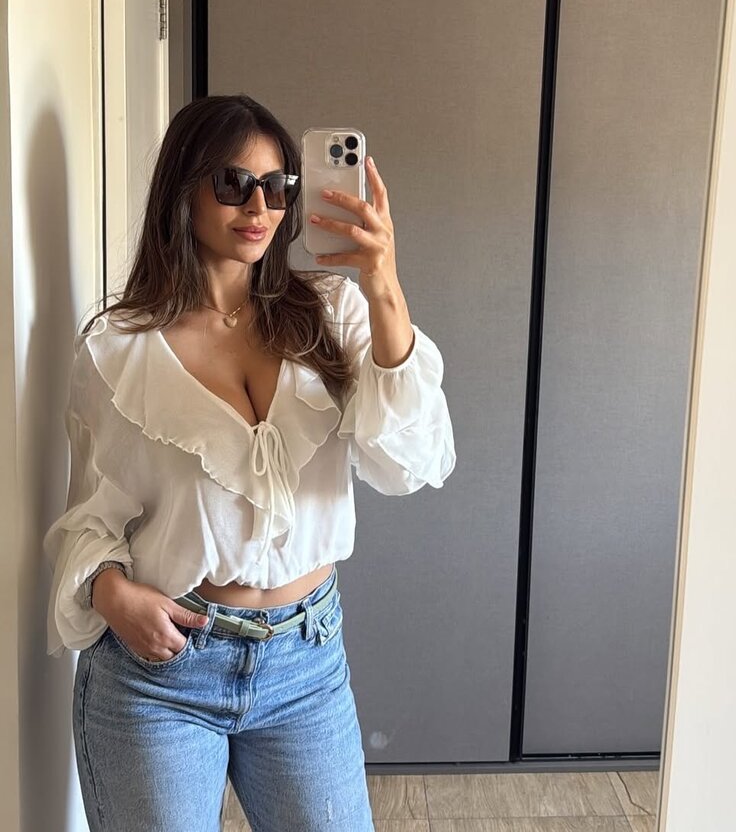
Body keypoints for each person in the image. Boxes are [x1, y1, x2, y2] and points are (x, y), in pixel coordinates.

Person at [43, 94, 456, 832]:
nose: (259, 206)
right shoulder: (117, 349)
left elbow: (407, 460)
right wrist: (111, 595)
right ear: (185, 189)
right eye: (234, 183)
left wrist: (384, 283)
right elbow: (90, 515)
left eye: (277, 185)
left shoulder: (333, 311)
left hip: (306, 665)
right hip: (160, 672)